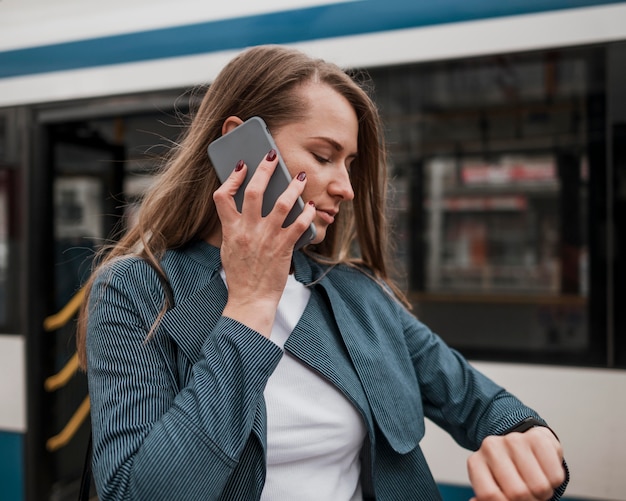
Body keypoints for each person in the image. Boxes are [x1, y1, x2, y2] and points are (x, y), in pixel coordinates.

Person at [76, 45, 568, 501]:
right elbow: (136, 491)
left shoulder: (357, 293)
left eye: (350, 163)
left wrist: (531, 440)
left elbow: (482, 403)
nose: (346, 187)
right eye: (324, 156)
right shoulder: (136, 292)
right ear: (239, 147)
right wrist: (249, 304)